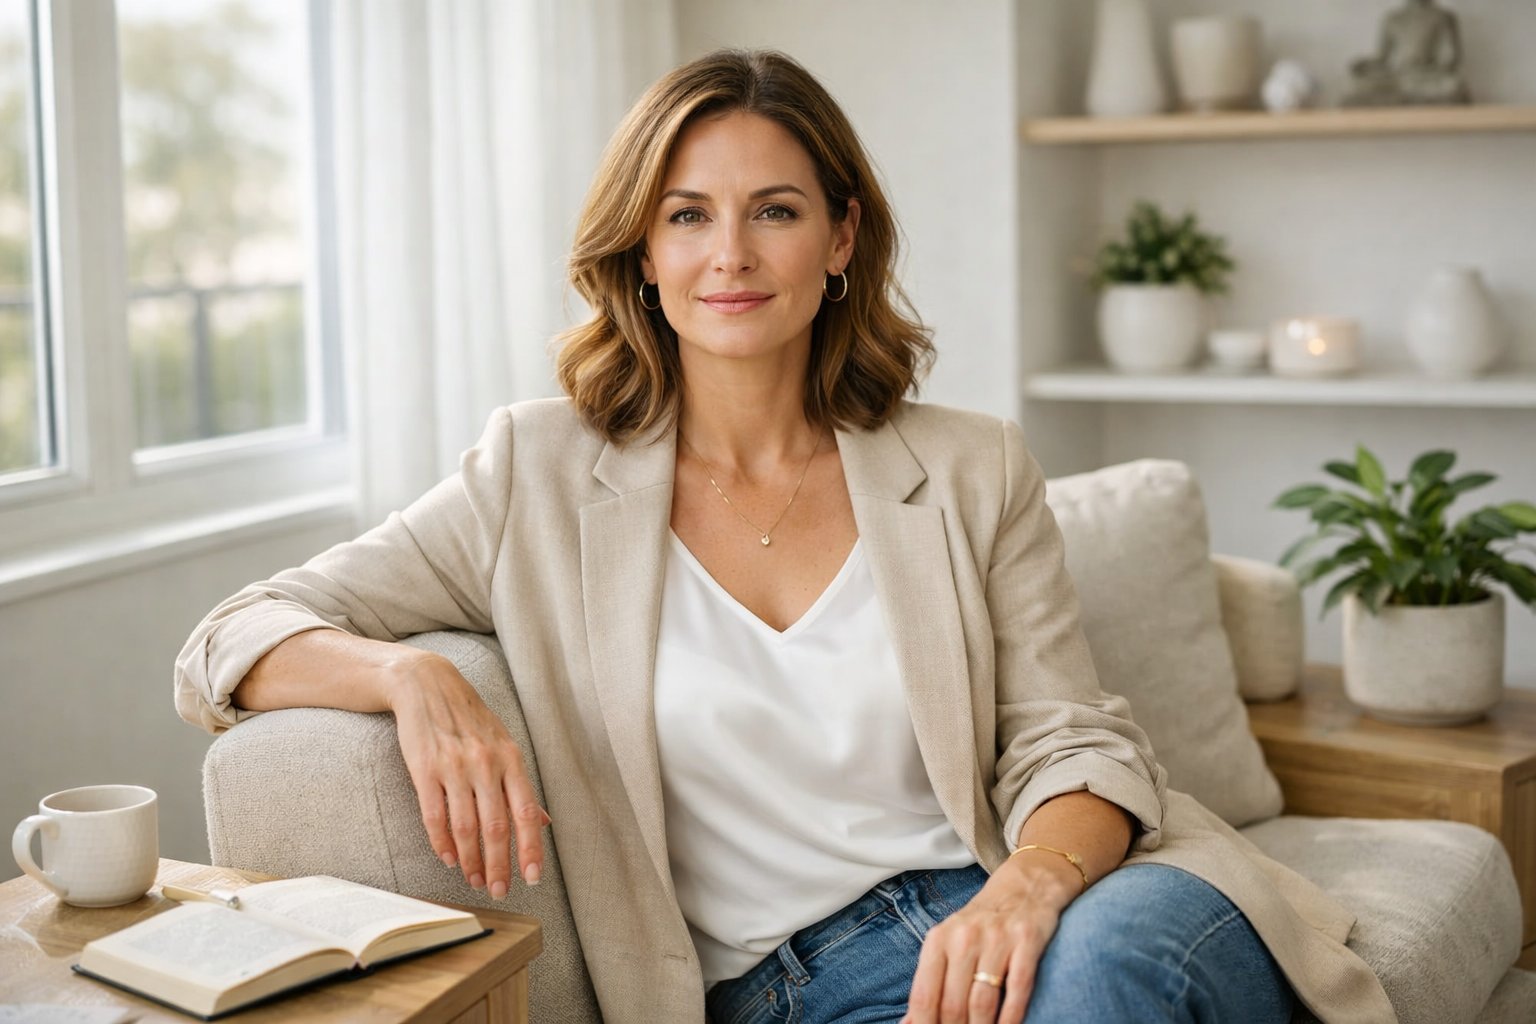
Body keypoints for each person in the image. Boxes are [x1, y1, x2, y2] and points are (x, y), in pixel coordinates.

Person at [177, 49, 1395, 1023]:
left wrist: (1026, 890)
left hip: (1069, 897)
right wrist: (411, 673)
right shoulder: (535, 475)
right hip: (794, 984)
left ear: (843, 237)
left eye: (775, 211)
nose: (732, 255)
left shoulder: (971, 466)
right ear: (644, 254)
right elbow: (227, 639)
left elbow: (1069, 738)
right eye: (690, 215)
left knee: (1106, 973)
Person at [1345, 0, 1470, 106]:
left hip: (1428, 76)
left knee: (1453, 86)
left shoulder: (1443, 16)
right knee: (1361, 86)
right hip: (1399, 76)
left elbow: (1452, 58)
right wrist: (1363, 65)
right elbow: (1382, 59)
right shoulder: (1393, 18)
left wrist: (1435, 70)